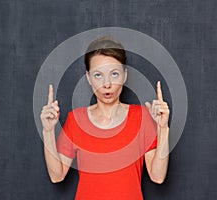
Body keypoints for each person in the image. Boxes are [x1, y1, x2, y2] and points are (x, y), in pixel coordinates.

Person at [40, 36, 170, 200]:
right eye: (98, 75)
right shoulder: (76, 120)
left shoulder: (142, 117)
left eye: (114, 74)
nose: (107, 84)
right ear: (88, 78)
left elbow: (157, 177)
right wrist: (48, 130)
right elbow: (56, 176)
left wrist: (163, 128)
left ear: (124, 75)